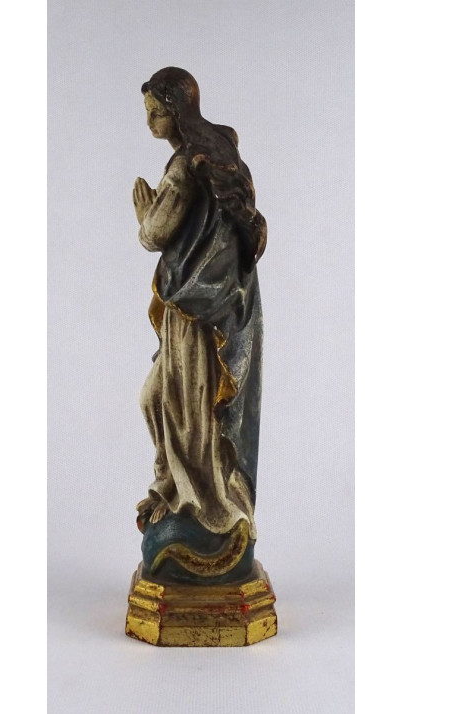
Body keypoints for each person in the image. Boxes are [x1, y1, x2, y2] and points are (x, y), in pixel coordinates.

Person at [132, 67, 267, 580]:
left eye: (156, 113)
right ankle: (174, 486)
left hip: (196, 312)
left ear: (177, 111)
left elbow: (154, 233)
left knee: (185, 407)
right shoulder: (216, 148)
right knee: (161, 399)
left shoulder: (185, 167)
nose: (150, 123)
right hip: (208, 307)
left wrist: (144, 214)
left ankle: (203, 505)